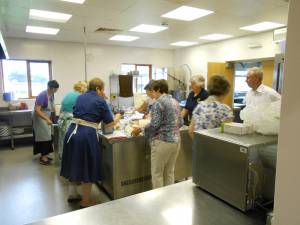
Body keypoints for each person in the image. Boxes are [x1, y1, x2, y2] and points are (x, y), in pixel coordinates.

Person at [60, 77, 121, 208]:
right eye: (103, 89)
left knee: (74, 162)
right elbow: (109, 124)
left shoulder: (81, 97)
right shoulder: (100, 100)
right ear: (99, 88)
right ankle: (85, 202)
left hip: (71, 132)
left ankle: (73, 194)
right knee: (87, 167)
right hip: (85, 135)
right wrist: (117, 117)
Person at [132, 79, 182, 189]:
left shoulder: (158, 103)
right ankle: (169, 199)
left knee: (157, 174)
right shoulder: (175, 102)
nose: (151, 94)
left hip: (162, 142)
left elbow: (154, 125)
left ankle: (159, 202)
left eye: (153, 90)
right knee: (169, 172)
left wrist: (141, 129)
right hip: (176, 141)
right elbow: (181, 122)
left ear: (158, 89)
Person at [58, 81, 87, 158]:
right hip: (70, 121)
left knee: (63, 141)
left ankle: (63, 159)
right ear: (83, 88)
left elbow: (61, 110)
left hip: (62, 120)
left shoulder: (69, 94)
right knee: (71, 143)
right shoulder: (80, 96)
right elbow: (83, 112)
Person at [33, 80, 59, 165]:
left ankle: (45, 155)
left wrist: (56, 115)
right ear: (49, 88)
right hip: (40, 117)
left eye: (56, 90)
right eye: (54, 89)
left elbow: (52, 107)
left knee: (48, 136)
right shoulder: (42, 95)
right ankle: (43, 158)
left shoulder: (51, 95)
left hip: (46, 117)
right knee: (44, 137)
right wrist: (47, 119)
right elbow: (37, 110)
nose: (55, 91)